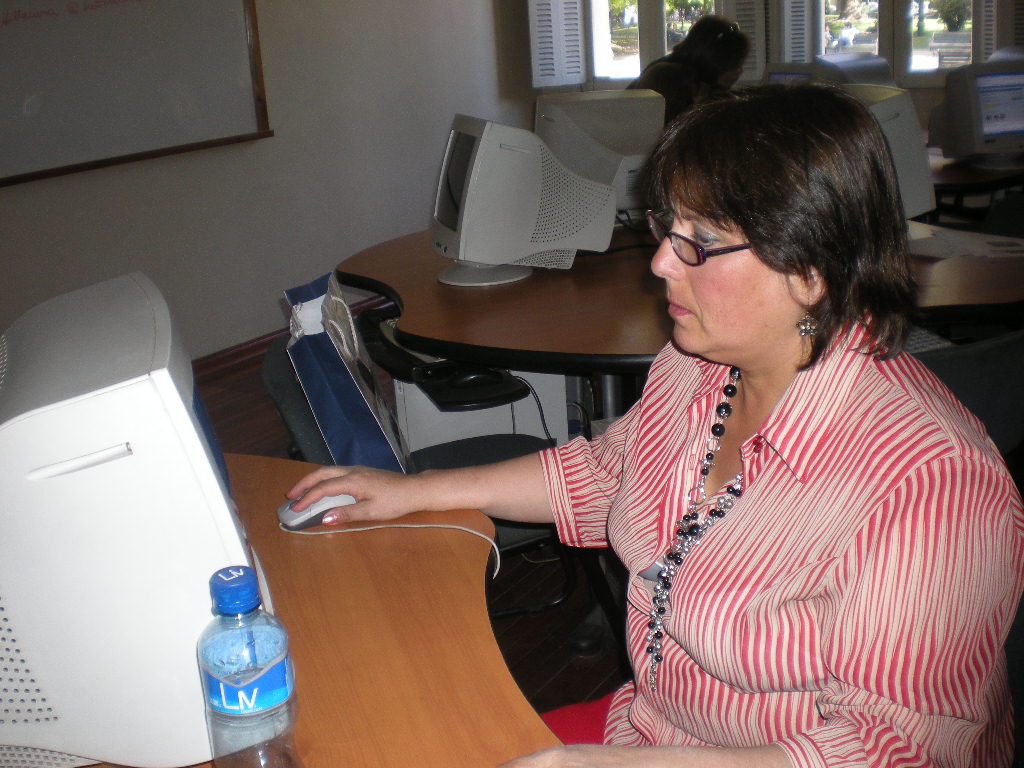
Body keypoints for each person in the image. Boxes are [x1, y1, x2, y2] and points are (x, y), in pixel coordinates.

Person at [285, 85, 1024, 767]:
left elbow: (898, 751)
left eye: (699, 241)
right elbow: (600, 477)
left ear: (812, 269)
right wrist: (413, 490)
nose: (663, 262)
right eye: (667, 228)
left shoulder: (935, 486)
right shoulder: (694, 366)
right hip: (647, 731)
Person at [627, 15, 750, 124]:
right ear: (713, 60)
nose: (739, 71)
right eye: (734, 64)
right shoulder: (665, 77)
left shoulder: (700, 79)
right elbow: (674, 134)